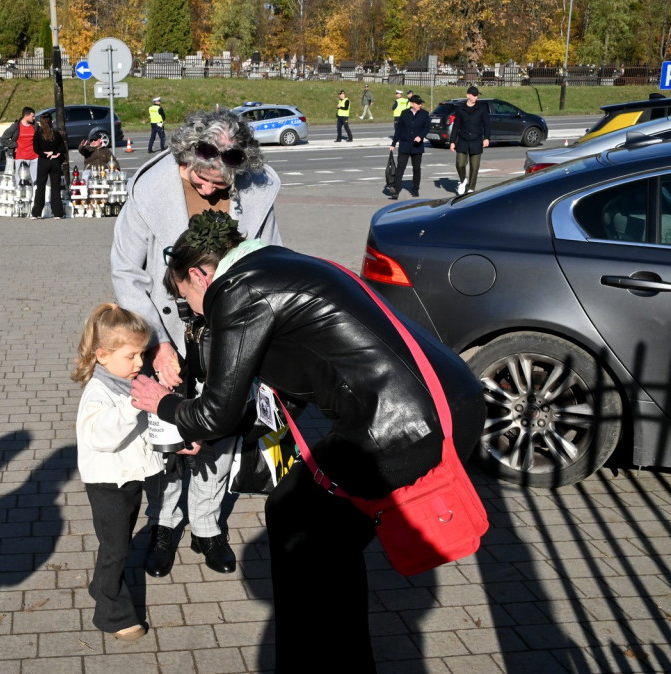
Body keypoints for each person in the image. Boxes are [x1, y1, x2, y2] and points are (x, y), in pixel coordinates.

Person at [130, 212, 485, 673]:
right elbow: (277, 397)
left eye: (187, 298)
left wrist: (165, 407)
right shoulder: (278, 263)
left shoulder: (239, 290)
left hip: (401, 423)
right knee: (318, 538)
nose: (196, 312)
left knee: (297, 525)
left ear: (200, 274)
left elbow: (215, 409)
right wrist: (205, 432)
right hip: (448, 400)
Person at [111, 108, 282, 579]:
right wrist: (157, 344)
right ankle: (164, 523)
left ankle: (206, 525)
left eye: (219, 185)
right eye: (200, 180)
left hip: (228, 329)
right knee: (166, 429)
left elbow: (270, 263)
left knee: (219, 425)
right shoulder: (150, 190)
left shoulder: (255, 189)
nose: (208, 191)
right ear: (183, 157)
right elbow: (126, 271)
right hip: (162, 329)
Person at [72, 303, 165, 641]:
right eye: (131, 356)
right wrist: (133, 404)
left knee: (120, 541)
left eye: (142, 354)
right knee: (115, 550)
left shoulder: (126, 381)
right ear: (102, 355)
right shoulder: (99, 392)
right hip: (107, 483)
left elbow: (142, 430)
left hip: (128, 479)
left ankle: (101, 584)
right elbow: (103, 436)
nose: (139, 363)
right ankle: (112, 613)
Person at [449, 86, 491, 195]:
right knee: (460, 164)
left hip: (476, 140)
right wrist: (452, 141)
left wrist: (486, 138)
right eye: (474, 95)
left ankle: (471, 188)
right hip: (463, 140)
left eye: (477, 95)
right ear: (468, 95)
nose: (476, 97)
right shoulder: (460, 109)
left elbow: (487, 124)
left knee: (475, 166)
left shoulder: (482, 108)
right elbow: (456, 126)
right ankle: (463, 180)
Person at [388, 94, 430, 199]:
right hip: (405, 145)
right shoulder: (404, 113)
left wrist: (421, 136)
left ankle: (415, 189)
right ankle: (396, 190)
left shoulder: (424, 114)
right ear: (412, 104)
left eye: (421, 103)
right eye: (418, 103)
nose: (420, 105)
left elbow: (427, 127)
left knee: (416, 168)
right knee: (400, 168)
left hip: (417, 146)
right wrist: (393, 143)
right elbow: (399, 130)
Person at [31, 112, 66, 219]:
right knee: (55, 187)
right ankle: (58, 213)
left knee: (40, 187)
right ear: (51, 122)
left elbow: (36, 149)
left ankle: (36, 212)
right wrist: (54, 153)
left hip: (43, 161)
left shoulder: (38, 134)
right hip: (54, 162)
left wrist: (45, 153)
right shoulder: (56, 134)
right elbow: (63, 148)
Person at [1, 107, 39, 185]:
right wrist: (15, 145)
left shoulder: (35, 126)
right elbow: (3, 139)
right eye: (32, 116)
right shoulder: (16, 126)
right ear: (26, 116)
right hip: (21, 157)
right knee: (20, 180)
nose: (34, 118)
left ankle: (36, 196)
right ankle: (21, 196)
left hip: (35, 157)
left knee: (36, 180)